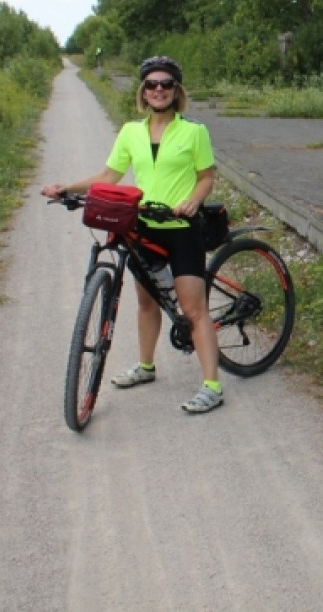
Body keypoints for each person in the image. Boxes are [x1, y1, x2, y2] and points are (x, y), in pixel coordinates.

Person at [42, 55, 224, 414]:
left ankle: (212, 385)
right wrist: (67, 188)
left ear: (176, 90)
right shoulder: (131, 132)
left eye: (166, 84)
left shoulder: (194, 132)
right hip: (143, 228)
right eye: (152, 84)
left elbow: (206, 176)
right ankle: (145, 366)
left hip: (181, 228)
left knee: (193, 308)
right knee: (147, 301)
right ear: (143, 91)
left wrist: (193, 201)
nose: (159, 90)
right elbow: (109, 176)